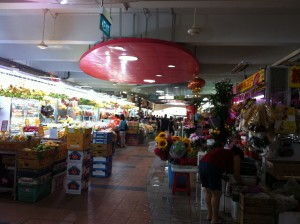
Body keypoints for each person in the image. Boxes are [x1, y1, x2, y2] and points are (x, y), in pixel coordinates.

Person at [199, 146, 244, 224]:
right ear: (239, 155)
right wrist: (243, 184)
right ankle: (215, 219)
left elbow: (222, 168)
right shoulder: (236, 156)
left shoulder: (224, 152)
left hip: (202, 164)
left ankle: (210, 215)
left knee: (208, 191)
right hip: (212, 166)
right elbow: (237, 175)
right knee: (216, 194)